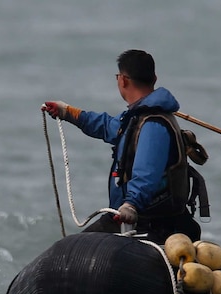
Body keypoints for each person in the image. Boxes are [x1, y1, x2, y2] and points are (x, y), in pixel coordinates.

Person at [42, 49, 206, 244]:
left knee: (71, 251)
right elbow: (106, 126)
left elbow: (147, 174)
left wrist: (131, 205)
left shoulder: (153, 126)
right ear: (154, 78)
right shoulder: (136, 119)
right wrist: (68, 112)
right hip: (134, 217)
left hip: (151, 223)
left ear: (123, 80)